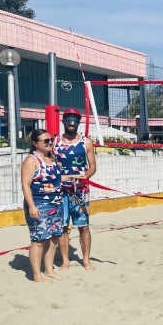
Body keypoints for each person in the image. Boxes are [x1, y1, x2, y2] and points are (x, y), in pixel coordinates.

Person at [53, 108, 96, 271]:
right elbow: (50, 164)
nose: (72, 123)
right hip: (60, 192)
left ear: (79, 123)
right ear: (63, 121)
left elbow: (92, 167)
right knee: (63, 227)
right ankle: (65, 261)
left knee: (83, 226)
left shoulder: (86, 142)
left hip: (80, 192)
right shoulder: (55, 142)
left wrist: (84, 178)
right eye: (69, 120)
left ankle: (86, 260)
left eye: (76, 120)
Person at [21, 129, 64, 283]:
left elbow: (55, 178)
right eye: (45, 141)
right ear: (35, 144)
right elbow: (25, 185)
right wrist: (32, 206)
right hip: (39, 204)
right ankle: (36, 275)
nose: (50, 143)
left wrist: (72, 176)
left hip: (57, 204)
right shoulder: (31, 160)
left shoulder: (51, 158)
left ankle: (49, 270)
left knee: (53, 238)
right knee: (38, 240)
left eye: (51, 140)